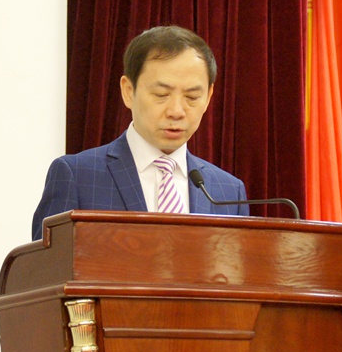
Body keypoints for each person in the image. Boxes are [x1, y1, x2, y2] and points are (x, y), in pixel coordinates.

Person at [32, 26, 249, 241]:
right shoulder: (78, 176)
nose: (176, 111)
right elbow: (49, 263)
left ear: (209, 97)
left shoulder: (229, 191)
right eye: (161, 94)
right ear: (128, 91)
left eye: (191, 97)